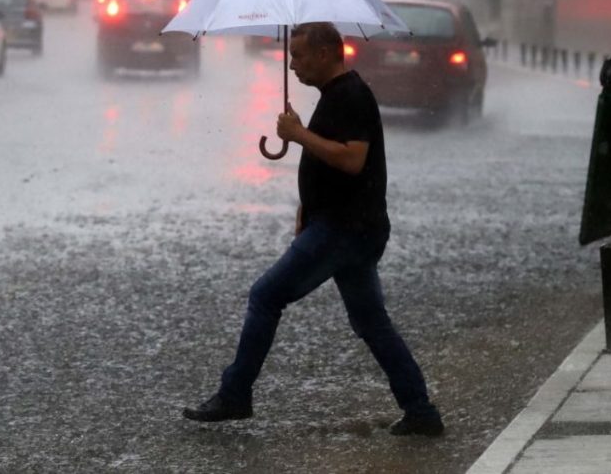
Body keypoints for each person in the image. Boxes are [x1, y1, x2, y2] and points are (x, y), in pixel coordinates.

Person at [182, 22, 444, 437]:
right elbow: (333, 163)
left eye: (299, 55)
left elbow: (353, 160)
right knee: (371, 322)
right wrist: (309, 204)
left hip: (345, 229)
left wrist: (300, 135)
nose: (292, 64)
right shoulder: (335, 96)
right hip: (347, 225)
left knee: (265, 296)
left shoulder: (352, 96)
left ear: (325, 53)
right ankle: (421, 411)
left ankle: (235, 395)